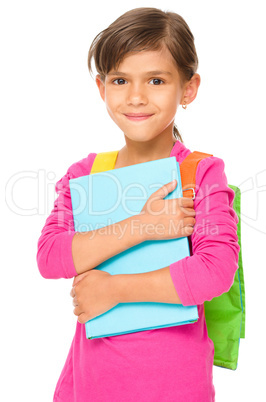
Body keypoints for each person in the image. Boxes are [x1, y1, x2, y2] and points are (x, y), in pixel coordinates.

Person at [36, 7, 239, 402]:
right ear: (101, 88)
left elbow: (215, 271)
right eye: (120, 79)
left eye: (157, 80)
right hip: (90, 384)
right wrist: (143, 225)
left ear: (189, 88)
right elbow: (50, 257)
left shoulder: (201, 173)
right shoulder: (86, 175)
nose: (136, 96)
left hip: (175, 386)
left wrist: (115, 290)